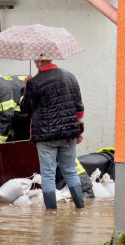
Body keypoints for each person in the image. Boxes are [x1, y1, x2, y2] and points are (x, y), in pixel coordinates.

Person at [20, 60, 85, 209]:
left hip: (45, 136)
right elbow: (79, 107)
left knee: (48, 174)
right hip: (68, 134)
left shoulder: (34, 82)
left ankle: (51, 214)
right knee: (70, 171)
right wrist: (79, 131)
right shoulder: (70, 76)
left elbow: (25, 108)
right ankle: (80, 207)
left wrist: (25, 89)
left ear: (38, 60)